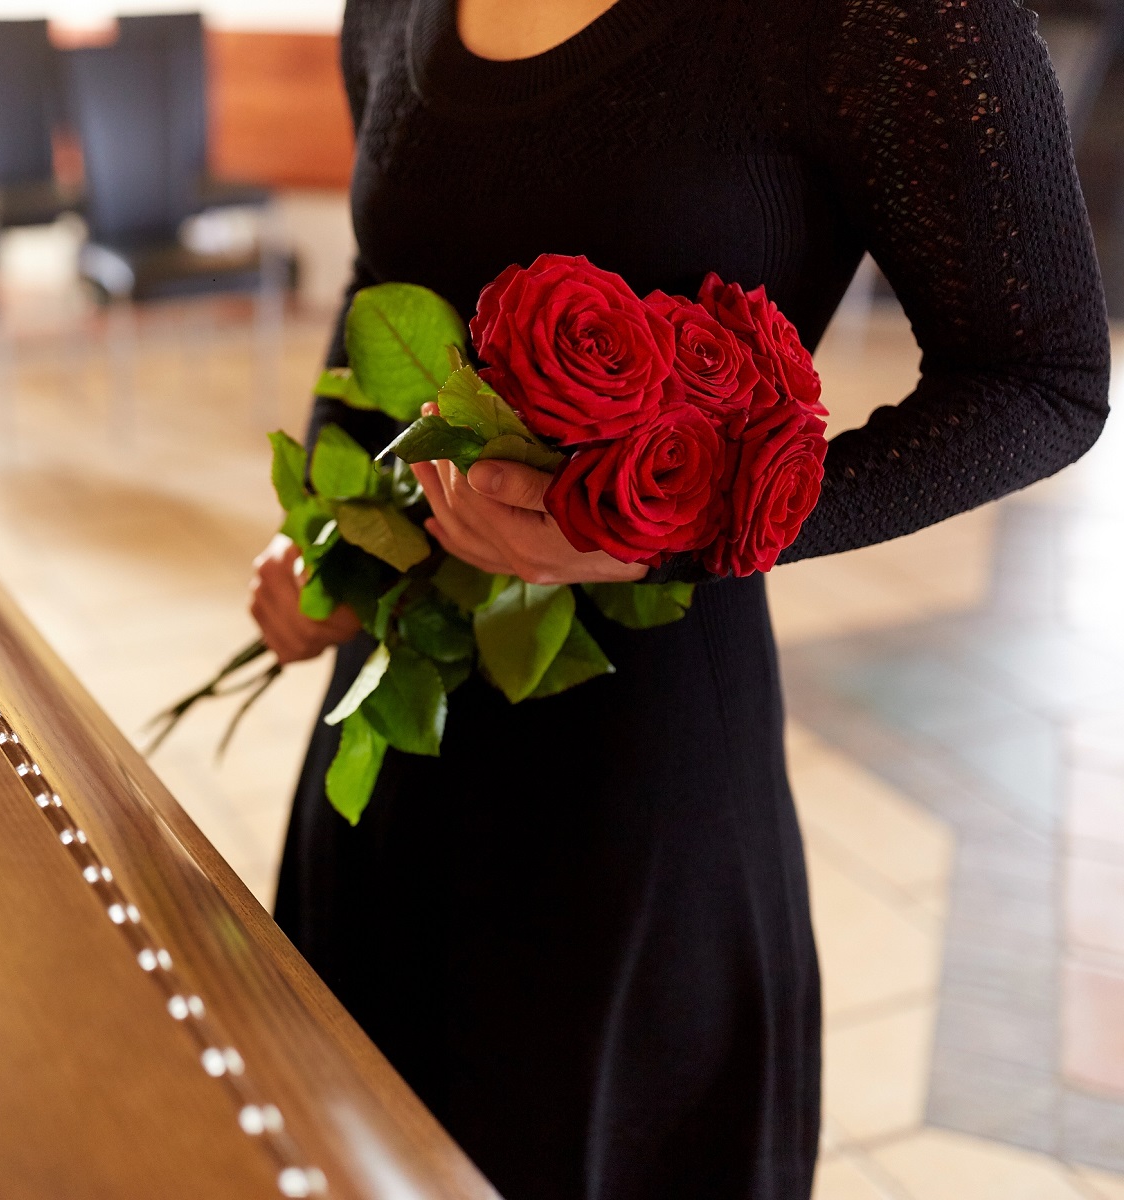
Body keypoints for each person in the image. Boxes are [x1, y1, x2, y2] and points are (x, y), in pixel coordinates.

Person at [250, 0, 1111, 1195]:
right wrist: (328, 543)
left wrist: (693, 525)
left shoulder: (881, 22)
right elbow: (386, 276)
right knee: (346, 1126)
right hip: (395, 727)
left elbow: (1044, 380)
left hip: (636, 773)